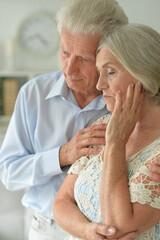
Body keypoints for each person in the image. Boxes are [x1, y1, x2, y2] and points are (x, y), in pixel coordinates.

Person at [0, 0, 134, 240]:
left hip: (110, 232)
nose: (69, 68)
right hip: (47, 230)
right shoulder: (33, 95)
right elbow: (8, 173)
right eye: (64, 51)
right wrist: (62, 155)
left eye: (84, 58)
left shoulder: (130, 100)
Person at [53, 23, 160, 240]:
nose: (100, 84)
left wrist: (115, 143)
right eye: (100, 73)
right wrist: (85, 230)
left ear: (144, 73)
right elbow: (61, 201)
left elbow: (118, 228)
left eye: (110, 72)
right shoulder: (103, 124)